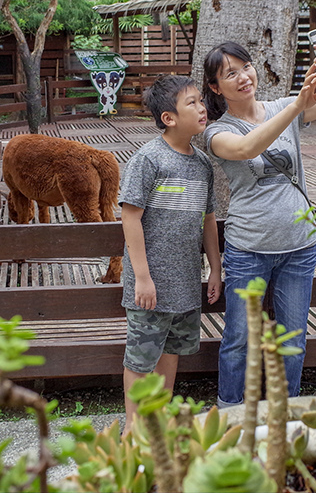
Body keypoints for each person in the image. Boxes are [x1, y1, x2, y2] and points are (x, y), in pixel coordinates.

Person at [202, 39, 316, 405]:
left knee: (293, 340)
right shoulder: (216, 132)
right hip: (248, 249)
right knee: (240, 338)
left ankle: (285, 412)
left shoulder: (283, 105)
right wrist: (297, 107)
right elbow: (246, 149)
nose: (243, 77)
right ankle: (229, 413)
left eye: (246, 67)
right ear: (215, 87)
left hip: (299, 248)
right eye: (230, 74)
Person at [119, 74, 223, 433]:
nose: (202, 108)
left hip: (185, 282)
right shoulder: (149, 159)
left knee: (171, 352)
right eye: (192, 102)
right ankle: (134, 429)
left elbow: (208, 219)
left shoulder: (202, 164)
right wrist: (143, 278)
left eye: (201, 101)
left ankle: (158, 424)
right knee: (141, 357)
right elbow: (130, 216)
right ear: (169, 118)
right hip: (150, 285)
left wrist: (215, 269)